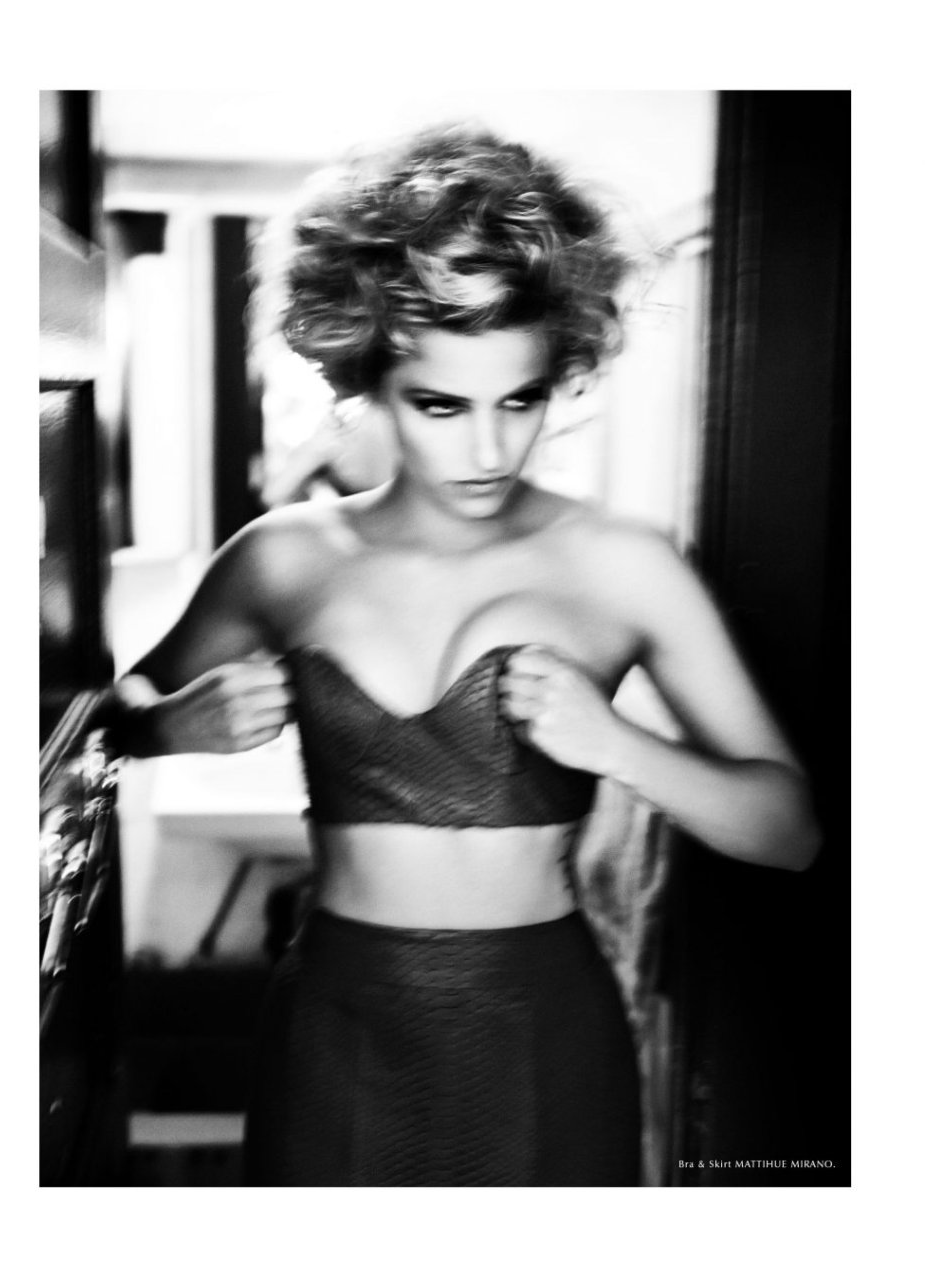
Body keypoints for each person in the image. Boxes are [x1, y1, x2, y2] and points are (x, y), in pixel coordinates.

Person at [112, 125, 820, 1187]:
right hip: (336, 1026)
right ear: (367, 378)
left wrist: (616, 744)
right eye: (440, 406)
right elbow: (94, 729)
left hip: (540, 1028)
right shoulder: (281, 558)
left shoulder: (622, 564)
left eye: (520, 400)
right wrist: (165, 726)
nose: (488, 450)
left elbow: (789, 831)